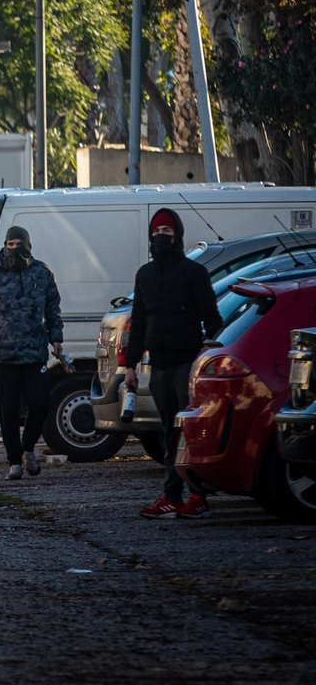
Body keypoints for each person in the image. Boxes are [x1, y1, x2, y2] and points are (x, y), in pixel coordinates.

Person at [127, 209, 222, 519]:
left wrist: (205, 355)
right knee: (169, 432)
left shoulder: (193, 273)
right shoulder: (145, 274)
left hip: (186, 364)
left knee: (188, 433)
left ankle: (198, 495)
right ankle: (172, 496)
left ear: (177, 235)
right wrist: (130, 366)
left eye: (167, 230)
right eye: (156, 231)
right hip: (158, 367)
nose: (161, 236)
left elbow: (213, 319)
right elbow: (138, 322)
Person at [0, 225, 63, 480]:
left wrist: (56, 338)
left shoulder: (42, 273)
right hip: (5, 355)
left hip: (35, 354)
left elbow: (53, 309)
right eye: (10, 244)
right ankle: (15, 460)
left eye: (18, 244)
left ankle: (29, 446)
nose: (14, 249)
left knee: (41, 403)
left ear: (27, 244)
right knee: (8, 411)